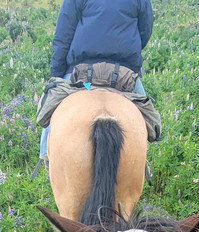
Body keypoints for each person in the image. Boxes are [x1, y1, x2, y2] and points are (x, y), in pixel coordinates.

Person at [38, 0, 154, 163]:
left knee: (50, 108)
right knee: (150, 120)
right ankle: (143, 163)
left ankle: (47, 156)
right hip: (123, 75)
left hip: (82, 77)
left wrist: (57, 75)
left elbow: (63, 36)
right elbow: (145, 30)